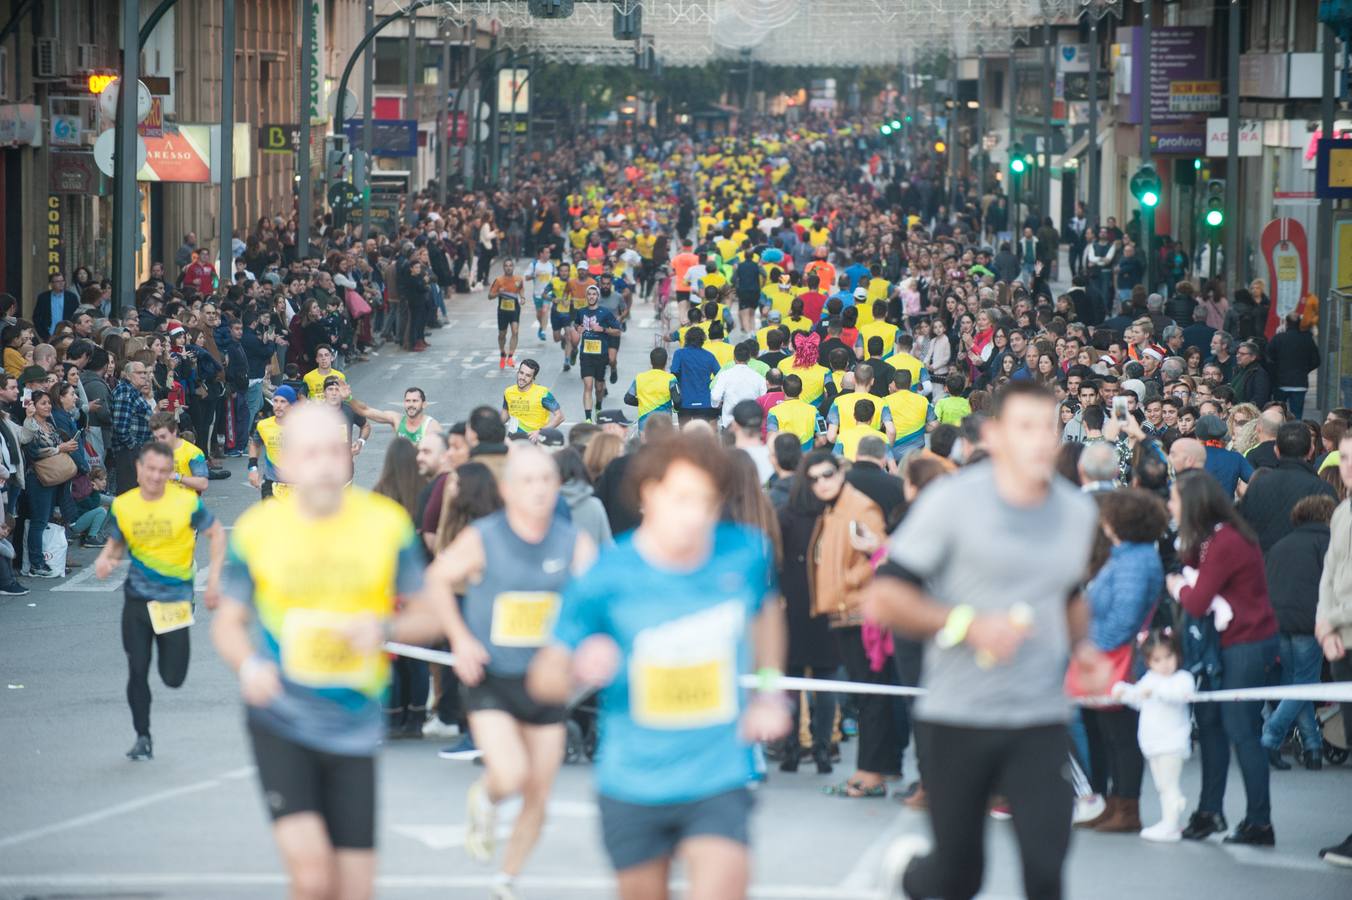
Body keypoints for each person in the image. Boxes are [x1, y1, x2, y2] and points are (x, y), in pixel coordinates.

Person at [862, 381, 1103, 900]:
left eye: (1049, 427)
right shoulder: (951, 502)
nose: (1040, 440)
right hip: (958, 716)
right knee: (957, 875)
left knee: (1046, 870)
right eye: (1025, 427)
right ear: (993, 435)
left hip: (1038, 718)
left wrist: (1086, 651)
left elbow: (1068, 597)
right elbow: (884, 599)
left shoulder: (1076, 512)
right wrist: (967, 625)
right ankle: (907, 876)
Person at [527, 430, 791, 900]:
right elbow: (543, 679)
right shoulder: (607, 577)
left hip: (718, 776)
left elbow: (767, 611)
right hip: (634, 781)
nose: (695, 517)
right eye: (682, 499)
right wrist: (579, 668)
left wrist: (767, 689)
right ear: (650, 493)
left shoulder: (744, 552)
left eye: (707, 503)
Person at [211, 404, 442, 900]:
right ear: (286, 461)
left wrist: (382, 625)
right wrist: (249, 665)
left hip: (357, 724)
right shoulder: (258, 530)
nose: (324, 464)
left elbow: (429, 616)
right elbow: (229, 622)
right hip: (282, 719)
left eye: (335, 451)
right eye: (310, 452)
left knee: (355, 888)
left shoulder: (385, 524)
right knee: (313, 877)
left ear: (351, 457)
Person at [428, 446, 595, 898]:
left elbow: (597, 598)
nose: (538, 489)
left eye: (546, 480)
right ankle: (485, 796)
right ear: (506, 490)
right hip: (492, 677)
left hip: (547, 682)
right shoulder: (483, 538)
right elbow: (438, 579)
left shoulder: (573, 542)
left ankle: (507, 878)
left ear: (557, 485)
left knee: (538, 794)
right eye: (527, 481)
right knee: (510, 774)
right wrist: (461, 639)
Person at [1167, 469, 1280, 845]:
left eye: (1175, 499)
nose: (1169, 505)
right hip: (1231, 644)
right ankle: (1209, 811)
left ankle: (1259, 820)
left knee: (1241, 731)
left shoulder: (1225, 542)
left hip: (1245, 644)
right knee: (1212, 724)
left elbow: (1196, 600)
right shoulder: (1215, 539)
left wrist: (1178, 586)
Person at [93, 441, 226, 760]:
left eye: (163, 471)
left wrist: (215, 581)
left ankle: (169, 675)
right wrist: (106, 559)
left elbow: (217, 533)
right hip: (137, 599)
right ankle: (143, 736)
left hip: (173, 601)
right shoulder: (124, 504)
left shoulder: (186, 504)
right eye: (149, 469)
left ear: (170, 474)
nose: (155, 476)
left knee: (173, 677)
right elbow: (117, 541)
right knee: (137, 669)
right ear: (138, 468)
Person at [1077, 489, 1167, 835]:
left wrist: (1092, 647)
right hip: (1106, 653)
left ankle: (1126, 806)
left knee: (1121, 735)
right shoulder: (1127, 556)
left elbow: (1124, 616)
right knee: (1105, 733)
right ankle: (1113, 802)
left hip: (1117, 657)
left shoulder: (1134, 560)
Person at [1260, 494, 1336, 770]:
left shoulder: (1281, 545)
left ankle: (1313, 747)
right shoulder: (1327, 543)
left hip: (1280, 622)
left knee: (1296, 683)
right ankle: (1270, 736)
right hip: (1310, 621)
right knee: (1305, 683)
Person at [1110, 630, 1197, 842]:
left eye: (1168, 657)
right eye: (1157, 660)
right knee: (1162, 785)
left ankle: (1171, 824)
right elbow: (1138, 699)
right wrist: (1123, 691)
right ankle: (1170, 819)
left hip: (1172, 743)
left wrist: (1155, 692)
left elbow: (1179, 697)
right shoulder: (1149, 678)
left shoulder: (1183, 678)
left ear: (1177, 655)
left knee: (1169, 785)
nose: (1165, 664)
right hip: (1152, 743)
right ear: (1148, 662)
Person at [1315, 433, 1352, 867]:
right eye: (1343, 458)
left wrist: (1335, 617)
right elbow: (1330, 571)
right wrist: (1325, 621)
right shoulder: (1342, 510)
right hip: (1338, 637)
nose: (1346, 465)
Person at [1238, 422, 1336, 552]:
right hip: (1308, 566)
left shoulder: (1257, 486)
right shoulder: (1322, 489)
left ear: (1276, 451)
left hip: (1264, 565)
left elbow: (1241, 527)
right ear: (1311, 450)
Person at [574, 284, 623, 423]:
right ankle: (588, 418)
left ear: (598, 296)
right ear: (586, 296)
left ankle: (598, 405)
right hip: (586, 355)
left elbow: (618, 330)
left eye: (594, 294)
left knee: (599, 388)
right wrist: (578, 328)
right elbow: (576, 324)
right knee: (588, 386)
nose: (591, 296)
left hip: (601, 355)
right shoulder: (581, 312)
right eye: (589, 294)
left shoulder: (605, 313)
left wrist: (603, 329)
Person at [248, 385, 297, 499]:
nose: (278, 406)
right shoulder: (263, 425)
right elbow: (255, 445)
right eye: (275, 401)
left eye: (283, 402)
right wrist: (253, 469)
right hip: (271, 484)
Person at [501, 359, 564, 441]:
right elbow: (505, 414)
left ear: (533, 378)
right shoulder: (508, 392)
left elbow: (560, 416)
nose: (522, 378)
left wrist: (540, 432)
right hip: (513, 437)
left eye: (528, 375)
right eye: (521, 373)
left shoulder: (543, 394)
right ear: (518, 372)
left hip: (534, 439)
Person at [148, 411, 210, 493]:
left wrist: (177, 477)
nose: (159, 441)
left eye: (163, 437)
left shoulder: (193, 453)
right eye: (156, 438)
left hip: (185, 503)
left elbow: (203, 484)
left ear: (174, 431)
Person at [354, 386, 439, 444]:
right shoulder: (397, 420)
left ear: (424, 404)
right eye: (408, 401)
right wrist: (348, 398)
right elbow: (365, 410)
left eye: (415, 401)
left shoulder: (431, 426)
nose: (411, 405)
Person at [623, 347, 680, 428]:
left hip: (644, 426)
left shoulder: (640, 378)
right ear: (666, 362)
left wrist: (642, 402)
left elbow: (628, 399)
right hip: (664, 426)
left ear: (651, 361)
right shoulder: (670, 379)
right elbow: (677, 400)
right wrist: (675, 409)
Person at [489, 258, 525, 370]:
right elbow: (490, 296)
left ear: (513, 267)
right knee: (502, 334)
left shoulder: (518, 279)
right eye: (506, 266)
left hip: (514, 309)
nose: (508, 267)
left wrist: (522, 297)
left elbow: (521, 289)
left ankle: (510, 356)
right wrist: (498, 292)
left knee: (515, 331)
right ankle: (502, 354)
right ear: (503, 267)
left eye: (510, 265)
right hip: (502, 311)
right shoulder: (498, 280)